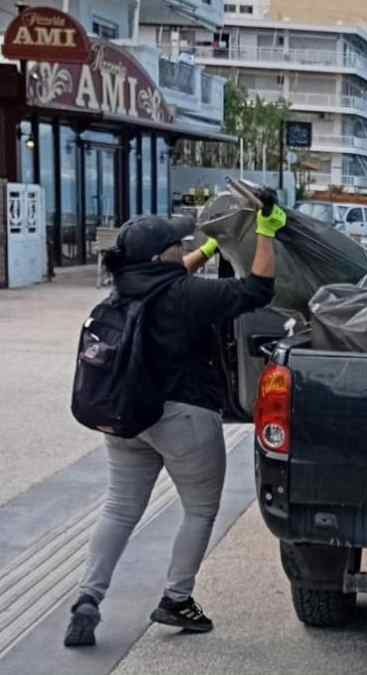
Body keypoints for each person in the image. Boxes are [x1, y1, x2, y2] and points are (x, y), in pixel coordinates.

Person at [64, 193, 288, 647]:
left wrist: (209, 248)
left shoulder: (123, 290)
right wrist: (266, 232)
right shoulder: (189, 296)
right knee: (200, 508)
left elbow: (167, 277)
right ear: (159, 256)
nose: (180, 248)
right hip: (183, 419)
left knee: (120, 509)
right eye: (175, 244)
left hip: (128, 416)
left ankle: (87, 598)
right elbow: (258, 289)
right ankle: (176, 598)